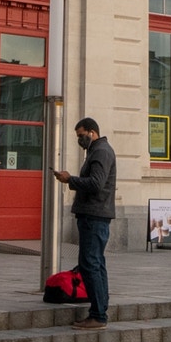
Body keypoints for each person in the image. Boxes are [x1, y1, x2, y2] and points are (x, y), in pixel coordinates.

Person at [54, 117, 117, 329]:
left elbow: (96, 184)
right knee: (96, 263)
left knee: (90, 264)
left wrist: (69, 179)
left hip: (94, 215)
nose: (80, 139)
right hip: (94, 214)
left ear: (92, 132)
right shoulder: (97, 151)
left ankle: (98, 314)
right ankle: (100, 309)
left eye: (81, 135)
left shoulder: (100, 152)